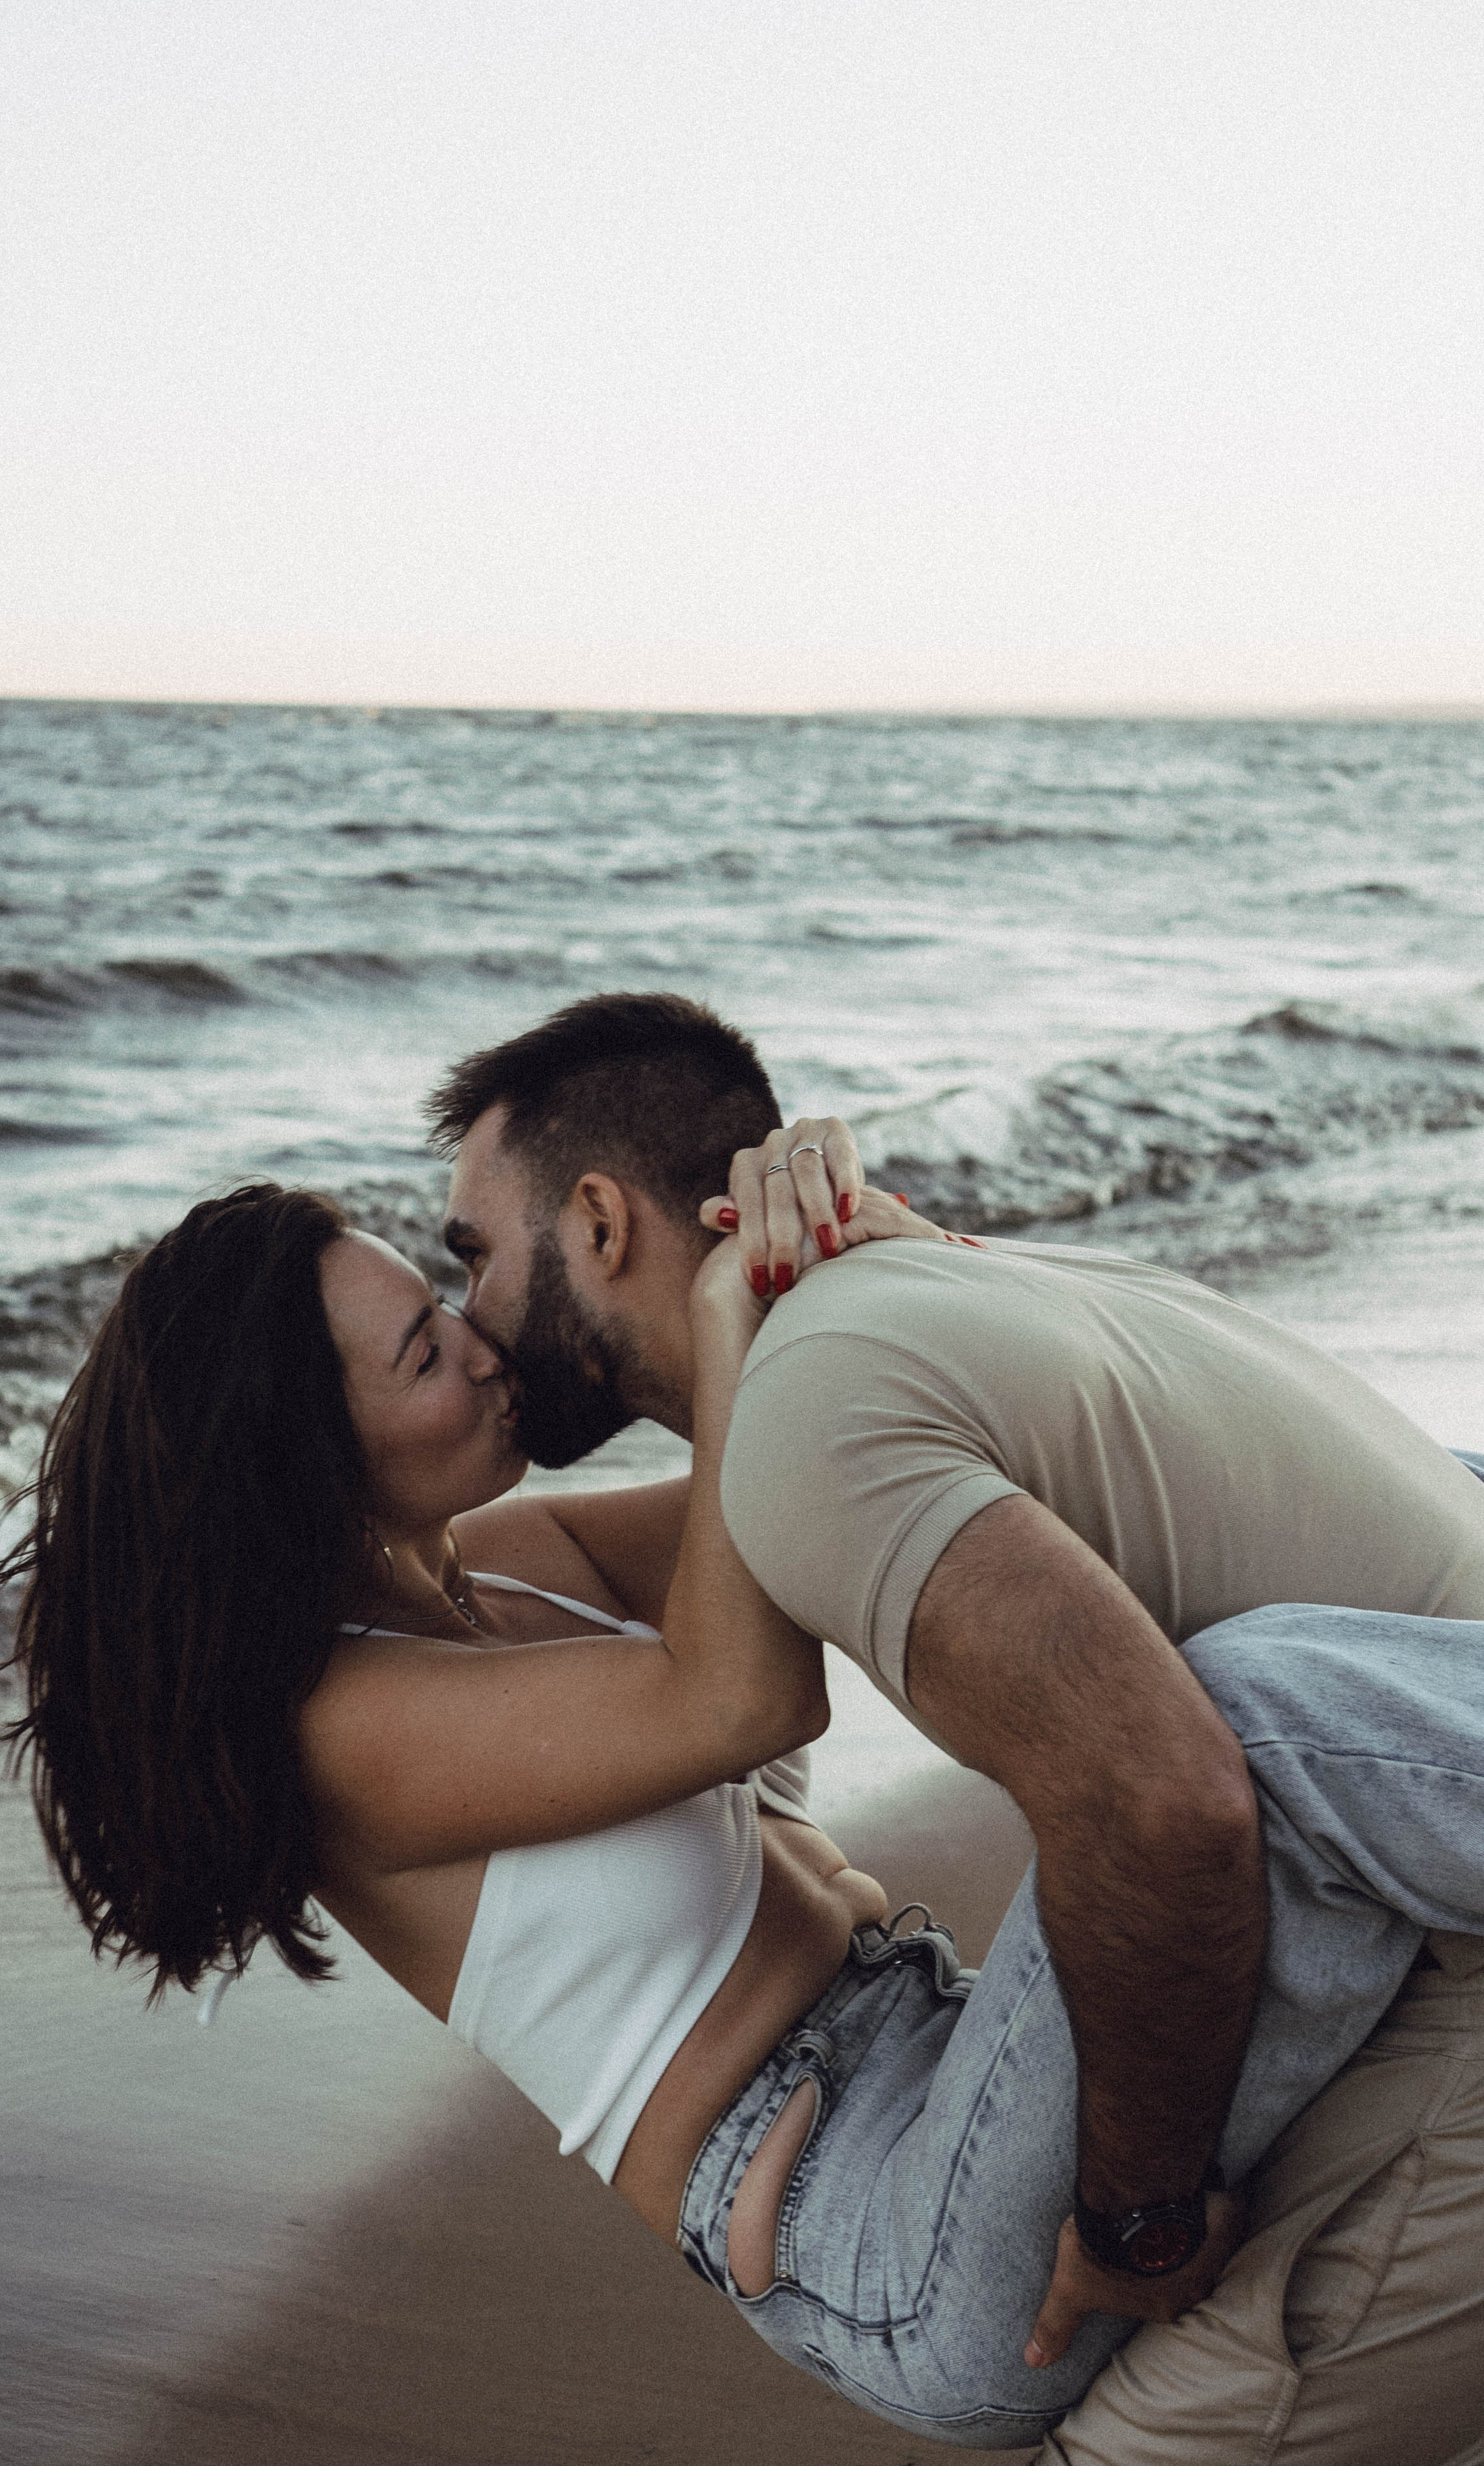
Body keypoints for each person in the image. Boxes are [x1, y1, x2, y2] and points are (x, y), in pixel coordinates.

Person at [0, 1170, 1484, 2452]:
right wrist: (719, 1309)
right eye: (426, 1354)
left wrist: (853, 1245)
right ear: (312, 1460)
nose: (486, 1350)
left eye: (447, 1308)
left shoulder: (508, 1564)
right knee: (1257, 1725)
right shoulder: (342, 1734)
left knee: (1432, 1506)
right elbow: (742, 1697)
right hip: (893, 2240)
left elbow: (857, 1465)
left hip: (955, 2066)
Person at [427, 990, 1484, 2457]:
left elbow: (1160, 1803)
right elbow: (625, 1561)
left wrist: (1135, 2218)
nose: (463, 1322)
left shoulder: (817, 1415)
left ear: (599, 1223)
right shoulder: (972, 1288)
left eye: (468, 1255)